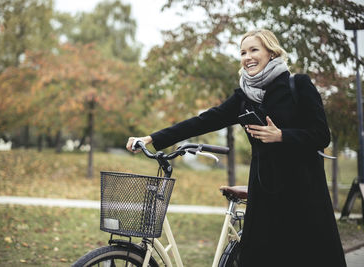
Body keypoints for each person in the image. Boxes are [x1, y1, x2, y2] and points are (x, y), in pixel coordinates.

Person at [126, 29, 346, 267]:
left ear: (271, 53)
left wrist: (281, 135)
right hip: (265, 191)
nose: (247, 57)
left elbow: (321, 135)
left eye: (254, 50)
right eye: (243, 52)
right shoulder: (243, 98)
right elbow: (203, 121)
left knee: (305, 257)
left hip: (302, 191)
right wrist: (152, 138)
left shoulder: (298, 85)